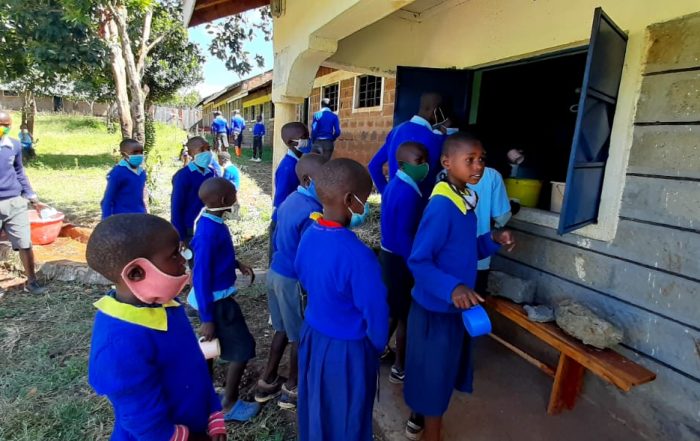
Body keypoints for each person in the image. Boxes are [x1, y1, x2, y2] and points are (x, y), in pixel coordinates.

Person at [404, 132, 515, 441]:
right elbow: (419, 260)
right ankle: (432, 434)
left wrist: (492, 239)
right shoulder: (442, 206)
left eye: (482, 160)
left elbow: (463, 250)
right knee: (434, 377)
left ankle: (427, 422)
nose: (478, 166)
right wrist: (452, 288)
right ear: (447, 162)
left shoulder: (466, 197)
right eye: (470, 160)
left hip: (454, 308)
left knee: (442, 372)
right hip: (435, 308)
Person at [86, 213, 226, 441]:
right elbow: (141, 418)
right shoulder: (117, 343)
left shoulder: (166, 306)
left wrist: (213, 413)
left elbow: (194, 367)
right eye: (174, 256)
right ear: (136, 273)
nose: (184, 261)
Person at [295, 158, 388, 441]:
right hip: (348, 350)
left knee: (318, 408)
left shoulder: (309, 234)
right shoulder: (359, 256)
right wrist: (375, 347)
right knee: (348, 417)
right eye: (366, 196)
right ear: (350, 199)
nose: (367, 204)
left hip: (313, 335)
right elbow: (376, 313)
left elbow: (302, 274)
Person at [256, 153, 328, 410]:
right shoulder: (313, 212)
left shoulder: (289, 201)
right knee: (300, 335)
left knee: (281, 330)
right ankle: (292, 387)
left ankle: (267, 380)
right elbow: (310, 256)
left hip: (276, 272)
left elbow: (276, 240)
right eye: (325, 180)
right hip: (292, 280)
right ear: (309, 179)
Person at [187, 177, 260, 422]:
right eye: (234, 195)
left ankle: (206, 395)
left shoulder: (211, 220)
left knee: (209, 347)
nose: (236, 199)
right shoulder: (209, 233)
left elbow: (217, 258)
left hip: (210, 300)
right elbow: (201, 275)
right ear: (223, 200)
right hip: (217, 303)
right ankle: (228, 404)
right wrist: (208, 317)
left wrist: (236, 263)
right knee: (243, 348)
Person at [379, 141, 429, 385]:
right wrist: (417, 267)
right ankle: (400, 367)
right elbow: (404, 236)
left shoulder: (396, 184)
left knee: (393, 310)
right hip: (400, 259)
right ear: (402, 163)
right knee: (405, 317)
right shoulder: (408, 192)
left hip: (390, 257)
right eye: (419, 162)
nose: (425, 166)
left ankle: (378, 349)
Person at [0, 110, 47, 294]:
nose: (3, 128)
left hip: (15, 201)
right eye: (0, 125)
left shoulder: (14, 146)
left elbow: (19, 172)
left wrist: (32, 197)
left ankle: (32, 281)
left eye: (6, 125)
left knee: (25, 243)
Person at [368, 93, 447, 196]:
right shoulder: (434, 139)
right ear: (436, 111)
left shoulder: (396, 130)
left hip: (393, 201)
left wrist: (386, 192)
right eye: (444, 113)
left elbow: (373, 165)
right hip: (418, 206)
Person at [268, 122, 311, 264]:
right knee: (279, 258)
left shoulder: (298, 162)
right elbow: (281, 201)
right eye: (304, 137)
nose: (308, 140)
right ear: (290, 142)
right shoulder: (288, 168)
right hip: (282, 221)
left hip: (289, 218)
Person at [467, 166, 512, 293]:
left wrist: (495, 237)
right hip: (477, 262)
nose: (477, 164)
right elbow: (502, 217)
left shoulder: (443, 175)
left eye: (481, 158)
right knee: (473, 306)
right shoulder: (491, 175)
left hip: (453, 262)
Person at [171, 136, 215, 244]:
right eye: (202, 149)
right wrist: (180, 236)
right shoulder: (183, 176)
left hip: (208, 222)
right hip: (190, 226)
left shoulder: (211, 173)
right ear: (191, 154)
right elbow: (176, 207)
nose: (207, 152)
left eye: (208, 148)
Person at [100, 139, 147, 220]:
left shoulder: (141, 172)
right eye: (135, 153)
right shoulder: (118, 173)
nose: (139, 155)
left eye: (141, 152)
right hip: (122, 218)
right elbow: (108, 199)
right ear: (124, 154)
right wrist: (106, 221)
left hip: (140, 216)